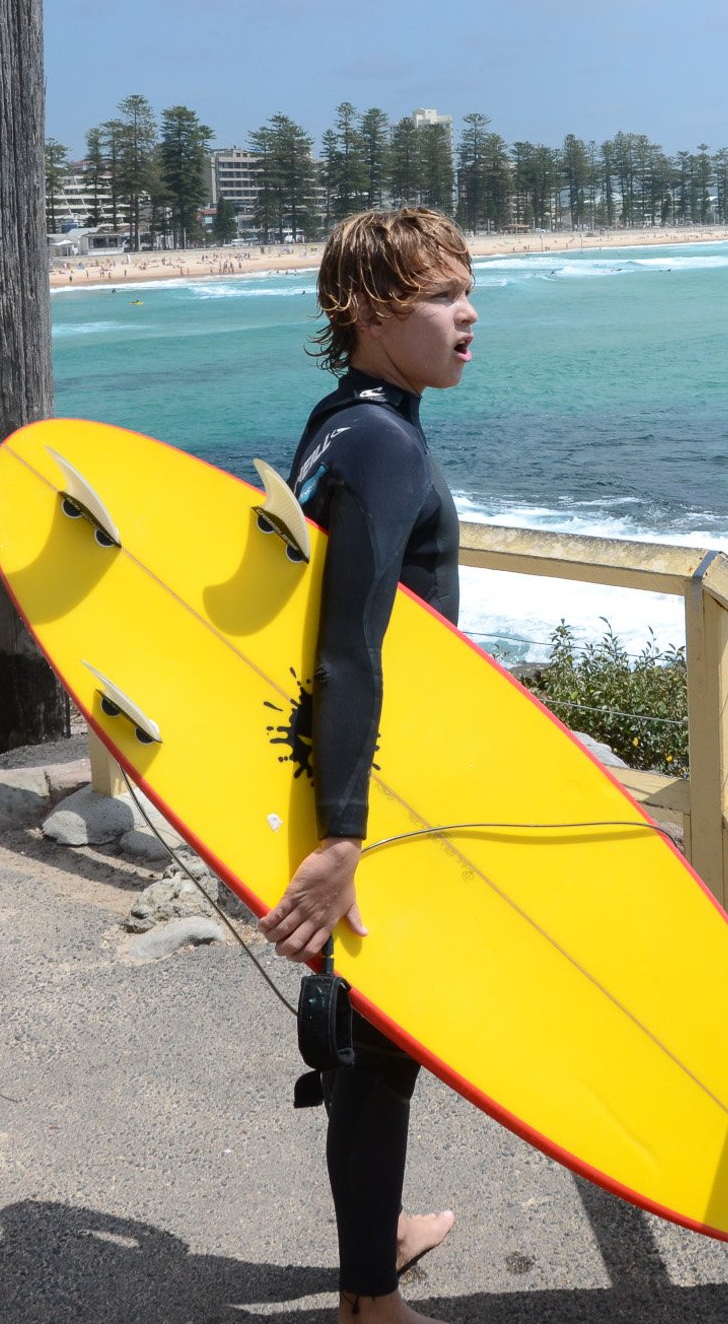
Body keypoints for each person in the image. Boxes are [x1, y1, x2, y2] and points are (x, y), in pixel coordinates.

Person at [258, 208, 475, 1324]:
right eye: (442, 296)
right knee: (381, 1043)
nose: (467, 315)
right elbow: (349, 647)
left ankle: (373, 1237)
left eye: (467, 291)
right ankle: (368, 1302)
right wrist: (344, 833)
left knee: (368, 1032)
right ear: (370, 312)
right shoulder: (386, 446)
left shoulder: (341, 425)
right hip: (372, 782)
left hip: (358, 762)